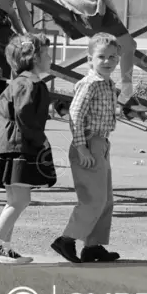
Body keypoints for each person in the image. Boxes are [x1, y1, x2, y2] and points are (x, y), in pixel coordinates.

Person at [0, 33, 56, 264]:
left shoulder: (21, 82)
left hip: (8, 146)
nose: (50, 58)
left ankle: (4, 247)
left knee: (15, 199)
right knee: (21, 200)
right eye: (47, 54)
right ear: (34, 57)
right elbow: (25, 116)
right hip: (17, 147)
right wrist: (40, 140)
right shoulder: (29, 83)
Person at [51, 32, 123, 264]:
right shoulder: (89, 83)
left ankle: (93, 246)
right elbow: (75, 114)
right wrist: (82, 148)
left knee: (105, 198)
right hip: (89, 143)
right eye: (101, 56)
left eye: (112, 57)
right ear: (89, 59)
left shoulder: (108, 84)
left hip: (101, 142)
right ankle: (66, 239)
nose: (107, 61)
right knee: (93, 198)